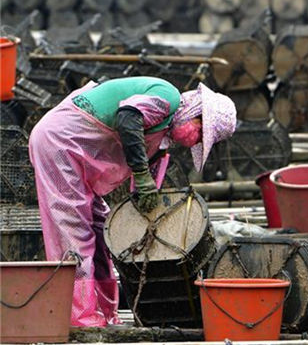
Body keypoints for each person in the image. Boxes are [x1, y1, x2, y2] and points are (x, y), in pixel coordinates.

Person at [29, 76, 237, 327]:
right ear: (196, 112)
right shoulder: (167, 97)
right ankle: (79, 318)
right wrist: (141, 175)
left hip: (79, 156)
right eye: (200, 132)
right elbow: (127, 117)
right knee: (74, 233)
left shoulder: (161, 143)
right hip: (59, 142)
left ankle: (106, 312)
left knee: (100, 230)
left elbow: (142, 194)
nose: (196, 140)